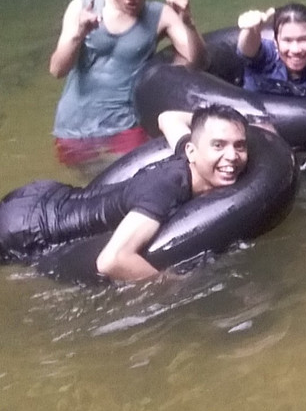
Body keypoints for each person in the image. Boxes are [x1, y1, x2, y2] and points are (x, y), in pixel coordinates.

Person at [0, 104, 248, 282]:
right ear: (194, 151)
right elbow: (112, 260)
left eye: (239, 146)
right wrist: (176, 284)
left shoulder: (186, 152)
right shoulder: (167, 188)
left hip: (45, 196)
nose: (232, 156)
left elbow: (167, 117)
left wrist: (212, 125)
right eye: (218, 145)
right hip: (27, 230)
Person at [49, 0, 207, 171]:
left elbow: (199, 62)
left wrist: (188, 23)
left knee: (139, 179)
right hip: (73, 127)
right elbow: (57, 70)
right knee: (93, 192)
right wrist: (79, 33)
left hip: (126, 125)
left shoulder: (161, 15)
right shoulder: (81, 9)